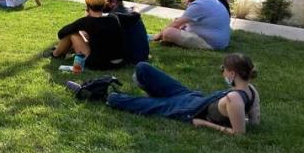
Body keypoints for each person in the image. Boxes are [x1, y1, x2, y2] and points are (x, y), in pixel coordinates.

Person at [106, 55, 261, 135]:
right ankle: (155, 95)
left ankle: (151, 98)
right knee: (142, 67)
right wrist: (240, 117)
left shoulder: (234, 99)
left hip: (187, 110)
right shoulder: (251, 90)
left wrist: (203, 123)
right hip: (192, 97)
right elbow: (254, 122)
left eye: (224, 69)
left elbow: (239, 133)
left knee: (117, 99)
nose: (223, 72)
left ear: (232, 74)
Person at [44, 0, 125, 70]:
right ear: (104, 5)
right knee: (82, 35)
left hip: (100, 63)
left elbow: (61, 33)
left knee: (72, 34)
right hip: (119, 61)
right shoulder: (114, 18)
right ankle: (62, 51)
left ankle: (56, 54)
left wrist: (85, 20)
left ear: (88, 6)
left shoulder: (86, 21)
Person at [153, 0, 231, 50]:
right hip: (221, 41)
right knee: (179, 24)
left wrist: (158, 35)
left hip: (212, 44)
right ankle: (172, 41)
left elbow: (176, 24)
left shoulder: (199, 4)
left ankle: (170, 41)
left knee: (168, 32)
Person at [103, 0, 150, 64]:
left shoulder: (114, 16)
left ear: (113, 1)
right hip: (143, 56)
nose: (102, 4)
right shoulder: (131, 11)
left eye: (103, 1)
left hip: (132, 58)